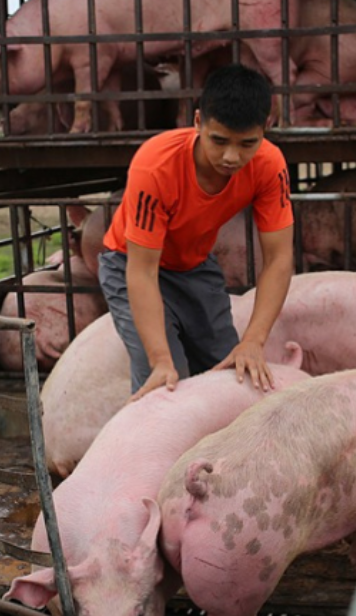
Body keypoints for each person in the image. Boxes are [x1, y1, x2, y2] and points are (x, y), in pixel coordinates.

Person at [99, 63, 293, 400]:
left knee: (231, 371)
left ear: (267, 127)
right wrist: (160, 360)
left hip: (194, 266)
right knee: (165, 384)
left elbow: (278, 258)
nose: (231, 157)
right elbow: (142, 271)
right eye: (218, 141)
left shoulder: (270, 165)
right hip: (130, 263)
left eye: (247, 143)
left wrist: (253, 341)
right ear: (198, 121)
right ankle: (151, 449)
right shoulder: (155, 164)